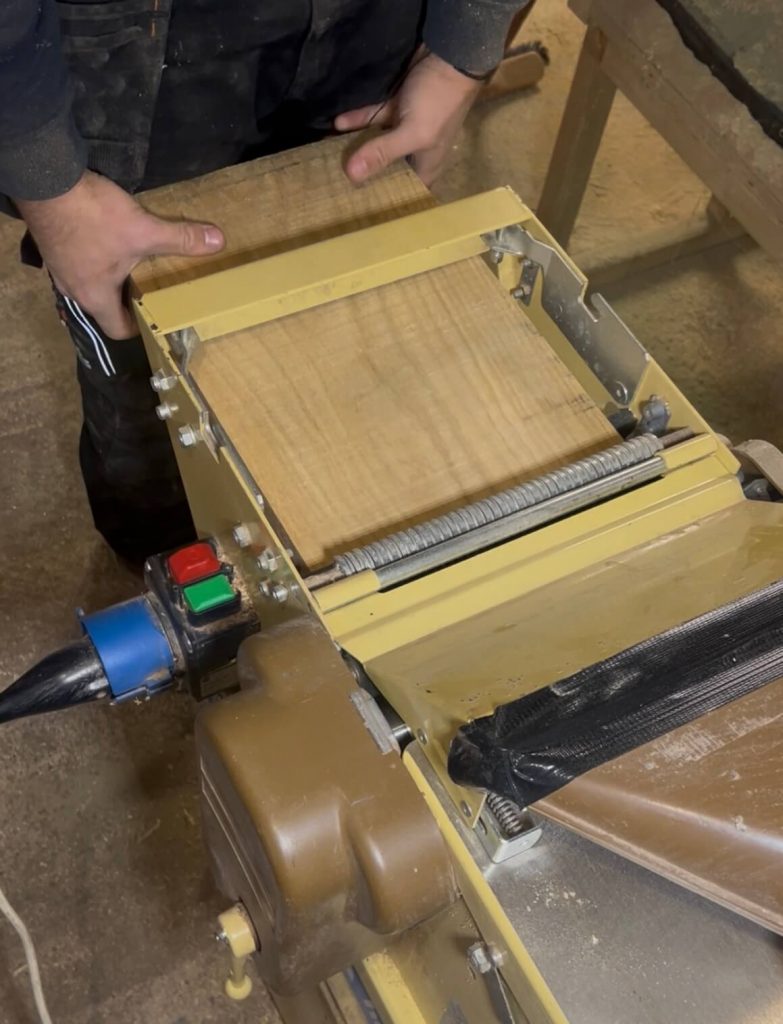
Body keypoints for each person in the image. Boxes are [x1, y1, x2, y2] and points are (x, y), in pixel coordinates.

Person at [1, 0, 530, 563]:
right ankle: (170, 571)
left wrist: (465, 42)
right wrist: (49, 182)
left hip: (379, 26)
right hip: (125, 47)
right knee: (149, 379)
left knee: (366, 339)